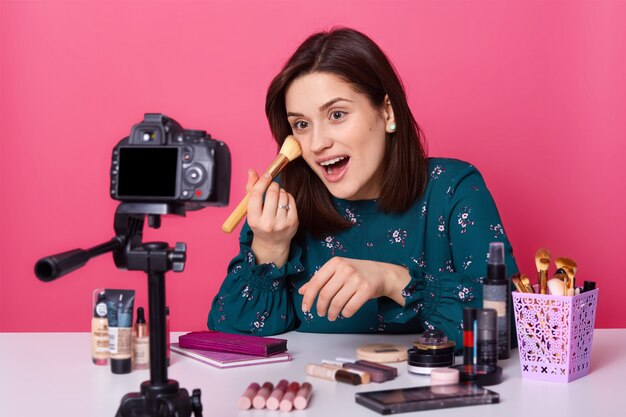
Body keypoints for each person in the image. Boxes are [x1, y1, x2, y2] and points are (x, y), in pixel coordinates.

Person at [207, 27, 517, 348]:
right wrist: (269, 247)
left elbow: (510, 325)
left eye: (337, 114)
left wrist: (393, 280)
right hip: (318, 392)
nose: (317, 143)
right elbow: (232, 333)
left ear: (387, 112)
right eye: (301, 124)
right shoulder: (283, 204)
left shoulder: (453, 188)